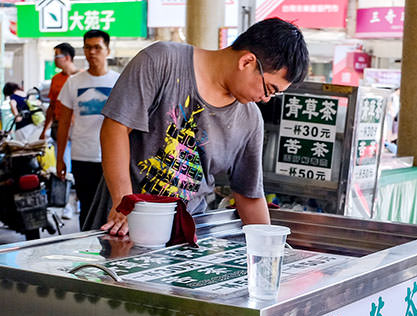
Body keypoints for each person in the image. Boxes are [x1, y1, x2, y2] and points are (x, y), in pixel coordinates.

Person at [94, 18, 309, 236]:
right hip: (122, 225)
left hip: (184, 235)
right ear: (247, 62)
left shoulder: (250, 120)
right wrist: (124, 202)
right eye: (269, 89)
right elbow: (116, 128)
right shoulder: (161, 61)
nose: (265, 99)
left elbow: (248, 195)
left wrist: (267, 249)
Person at [55, 29, 120, 229]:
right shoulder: (73, 83)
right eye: (88, 48)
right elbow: (63, 123)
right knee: (87, 209)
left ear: (107, 50)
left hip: (114, 157)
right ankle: (87, 253)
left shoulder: (119, 81)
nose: (92, 52)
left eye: (97, 47)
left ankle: (111, 256)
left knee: (115, 209)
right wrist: (60, 160)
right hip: (82, 156)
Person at [40, 42, 79, 142]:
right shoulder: (55, 79)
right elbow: (52, 106)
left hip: (77, 127)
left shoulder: (82, 77)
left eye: (57, 56)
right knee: (60, 156)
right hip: (58, 125)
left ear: (67, 57)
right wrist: (44, 130)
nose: (54, 59)